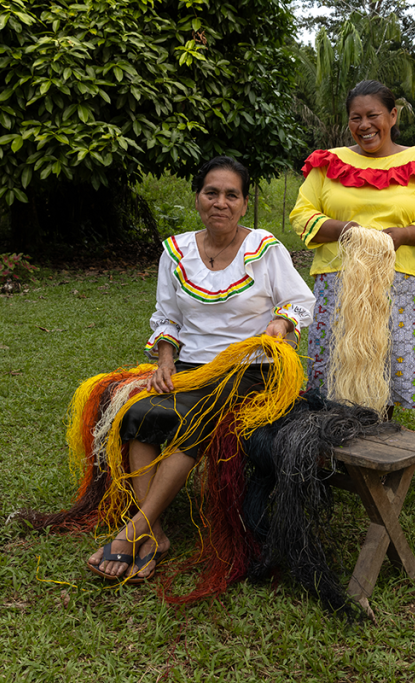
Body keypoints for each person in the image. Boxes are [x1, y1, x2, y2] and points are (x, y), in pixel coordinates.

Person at [86, 156, 315, 583]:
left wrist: (282, 322)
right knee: (139, 414)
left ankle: (134, 530)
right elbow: (168, 317)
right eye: (212, 193)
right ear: (198, 199)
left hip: (251, 367)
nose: (220, 203)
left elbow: (300, 301)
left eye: (232, 195)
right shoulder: (176, 252)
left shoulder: (264, 249)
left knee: (195, 417)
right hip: (191, 368)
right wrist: (166, 360)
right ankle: (154, 532)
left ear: (245, 204)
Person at [289, 79, 415, 411]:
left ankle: (384, 432)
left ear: (393, 116)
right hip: (339, 278)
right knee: (338, 353)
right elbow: (302, 213)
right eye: (356, 118)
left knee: (391, 352)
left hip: (399, 279)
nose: (365, 126)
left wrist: (403, 236)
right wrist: (346, 230)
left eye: (373, 115)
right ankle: (333, 432)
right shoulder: (329, 163)